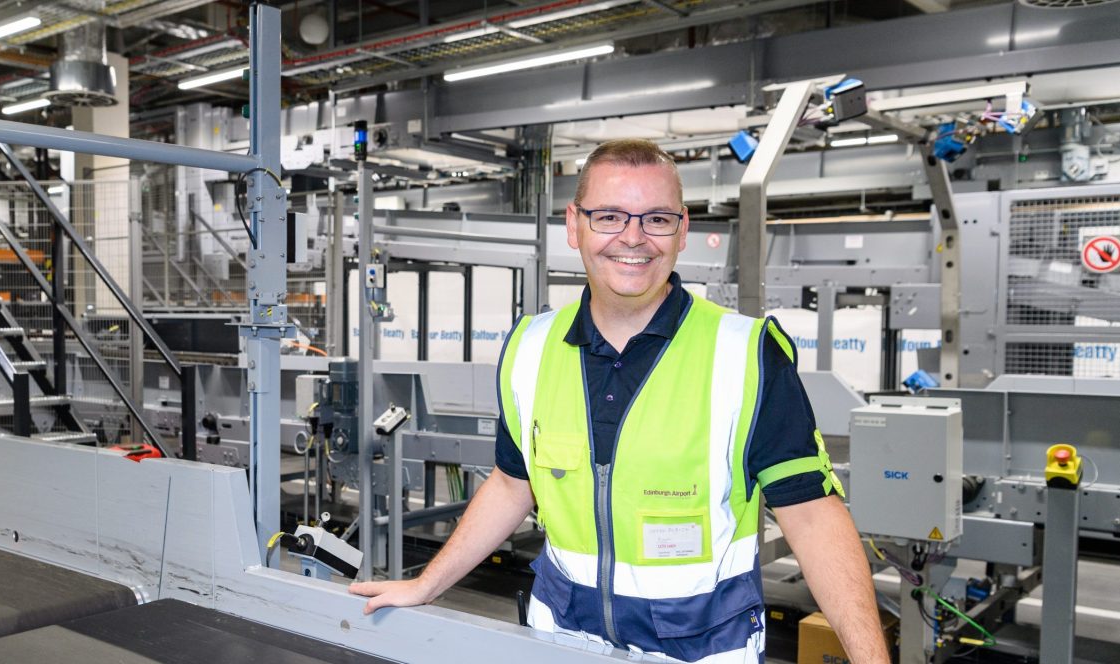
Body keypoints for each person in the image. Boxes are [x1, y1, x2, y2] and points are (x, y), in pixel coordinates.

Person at [350, 139, 889, 663]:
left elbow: (814, 518)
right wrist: (427, 583)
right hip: (560, 639)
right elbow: (513, 483)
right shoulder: (529, 348)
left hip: (700, 652)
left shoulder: (747, 354)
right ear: (573, 225)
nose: (633, 237)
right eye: (609, 216)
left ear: (682, 231)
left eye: (656, 218)